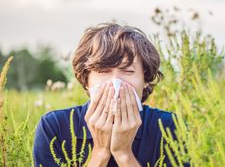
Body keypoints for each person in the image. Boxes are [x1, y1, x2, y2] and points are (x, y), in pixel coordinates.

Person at [33, 23, 188, 166]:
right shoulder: (54, 127)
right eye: (103, 71)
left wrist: (124, 154)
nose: (115, 83)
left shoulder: (169, 127)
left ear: (145, 79)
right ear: (86, 80)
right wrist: (100, 152)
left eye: (128, 71)